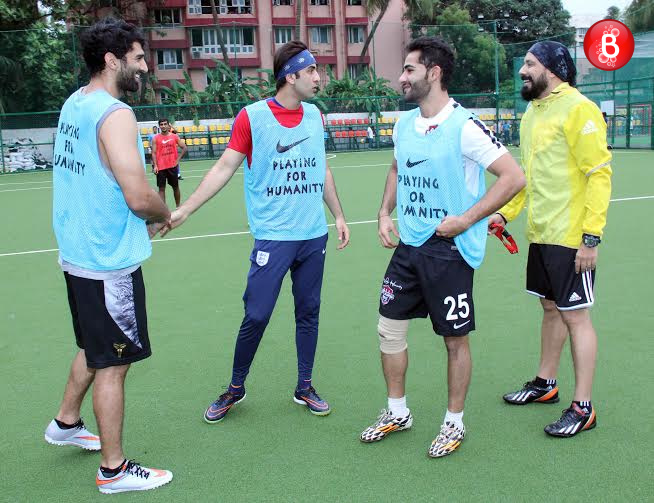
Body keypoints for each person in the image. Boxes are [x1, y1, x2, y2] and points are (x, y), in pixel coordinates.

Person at [161, 40, 350, 423]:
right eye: (311, 70)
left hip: (313, 236)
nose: (318, 77)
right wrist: (185, 210)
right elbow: (222, 169)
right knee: (258, 314)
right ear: (291, 76)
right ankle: (235, 387)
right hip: (274, 237)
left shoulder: (315, 116)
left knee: (308, 312)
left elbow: (321, 170)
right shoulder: (252, 117)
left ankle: (305, 386)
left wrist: (339, 215)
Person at [359, 37, 525, 458]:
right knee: (388, 328)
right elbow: (397, 168)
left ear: (434, 73)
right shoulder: (403, 125)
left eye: (410, 69)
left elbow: (513, 177)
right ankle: (398, 411)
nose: (402, 77)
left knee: (455, 340)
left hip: (449, 251)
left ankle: (454, 422)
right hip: (410, 247)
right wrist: (383, 212)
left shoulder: (465, 126)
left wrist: (467, 220)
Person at [47, 17, 173, 494]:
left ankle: (64, 423)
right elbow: (138, 195)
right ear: (112, 60)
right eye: (138, 58)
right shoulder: (114, 113)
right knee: (115, 363)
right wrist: (163, 213)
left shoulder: (74, 102)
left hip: (78, 255)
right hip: (106, 260)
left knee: (93, 348)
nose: (144, 67)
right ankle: (114, 470)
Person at [490, 41, 612, 437]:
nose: (522, 70)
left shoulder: (579, 109)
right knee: (550, 308)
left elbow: (599, 173)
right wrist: (504, 213)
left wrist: (590, 238)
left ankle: (584, 406)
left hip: (571, 237)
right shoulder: (531, 113)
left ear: (554, 69)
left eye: (530, 63)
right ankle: (546, 383)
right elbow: (528, 176)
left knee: (576, 316)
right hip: (540, 234)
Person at [152, 118, 186, 207]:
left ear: (168, 125)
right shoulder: (155, 138)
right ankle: (164, 210)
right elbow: (154, 153)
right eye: (161, 124)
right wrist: (155, 165)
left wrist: (177, 160)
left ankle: (178, 206)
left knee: (175, 187)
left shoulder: (174, 136)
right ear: (159, 126)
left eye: (165, 124)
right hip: (161, 168)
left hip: (172, 167)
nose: (163, 126)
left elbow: (184, 148)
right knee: (161, 189)